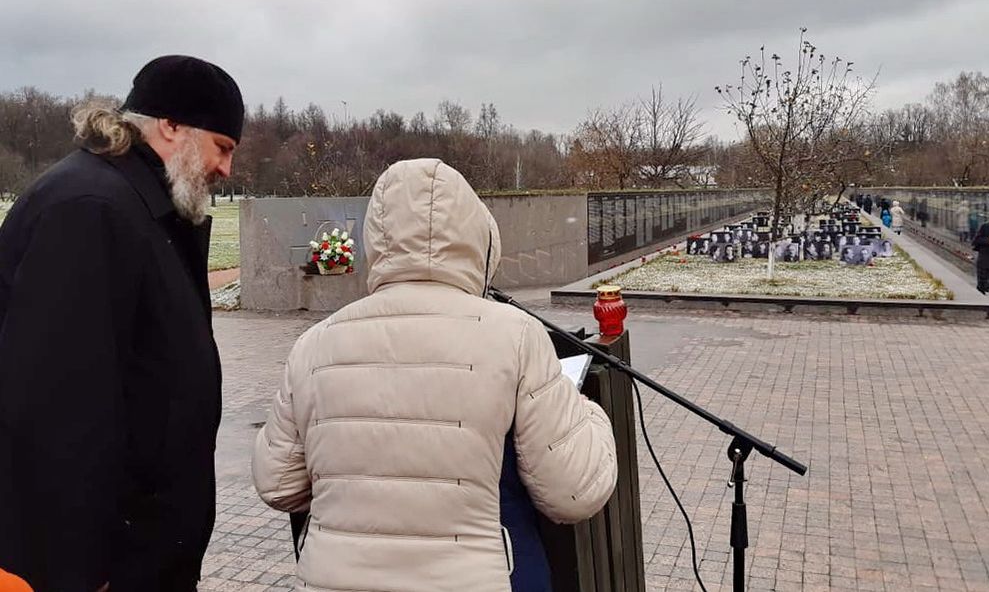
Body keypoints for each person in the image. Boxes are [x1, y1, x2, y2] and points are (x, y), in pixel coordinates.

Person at [252, 159, 617, 592]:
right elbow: (574, 490)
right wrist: (589, 415)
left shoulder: (313, 344)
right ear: (478, 238)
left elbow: (278, 483)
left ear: (377, 239)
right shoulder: (516, 336)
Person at [0, 55, 244, 591]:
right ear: (171, 125)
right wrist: (80, 568)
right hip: (107, 567)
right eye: (222, 146)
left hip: (145, 554)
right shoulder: (90, 208)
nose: (226, 169)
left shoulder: (141, 206)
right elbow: (56, 408)